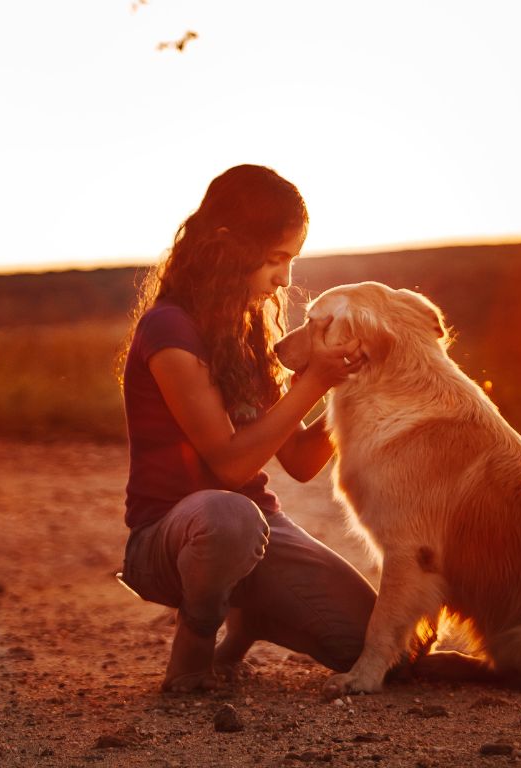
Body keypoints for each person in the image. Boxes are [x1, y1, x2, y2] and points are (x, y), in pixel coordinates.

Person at [116, 164, 375, 693]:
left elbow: (300, 460)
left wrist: (354, 382)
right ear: (227, 247)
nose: (284, 278)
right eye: (277, 259)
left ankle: (250, 615)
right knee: (229, 513)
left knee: (372, 647)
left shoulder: (248, 330)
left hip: (255, 534)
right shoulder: (170, 330)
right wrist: (316, 382)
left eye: (292, 261)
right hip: (172, 537)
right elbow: (231, 462)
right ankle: (193, 653)